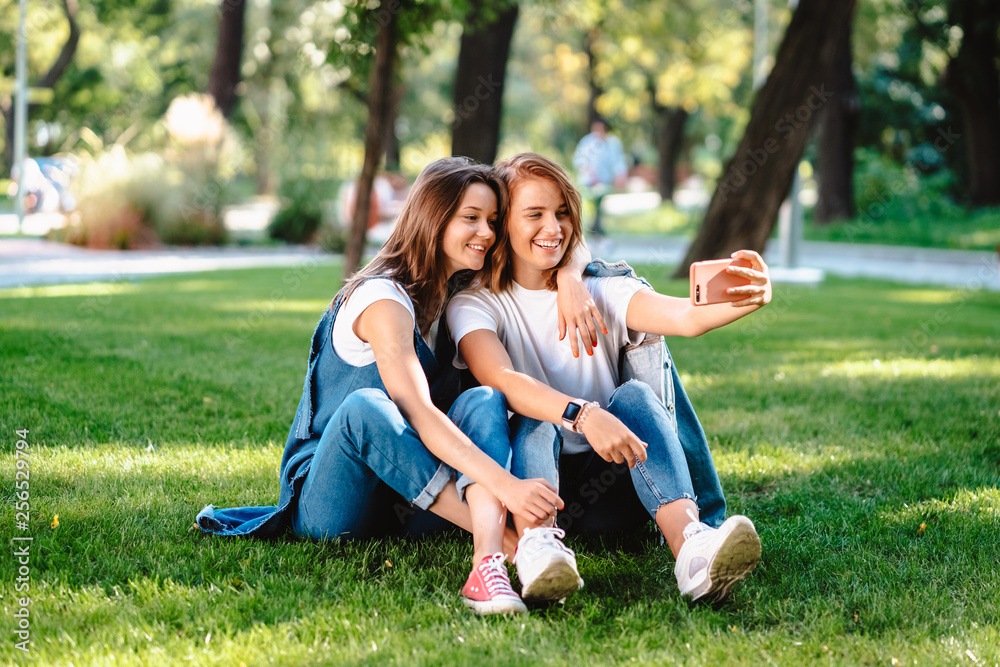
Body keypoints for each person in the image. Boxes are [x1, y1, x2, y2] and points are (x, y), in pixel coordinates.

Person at [196, 157, 599, 615]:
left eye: (491, 220)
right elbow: (419, 412)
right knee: (366, 408)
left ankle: (484, 565)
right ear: (432, 218)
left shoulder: (454, 301)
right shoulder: (382, 299)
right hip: (335, 506)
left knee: (484, 398)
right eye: (470, 218)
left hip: (409, 503)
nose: (486, 233)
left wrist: (568, 276)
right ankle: (512, 546)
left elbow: (567, 242)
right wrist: (507, 486)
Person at [448, 153, 770, 602]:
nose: (553, 228)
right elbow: (498, 376)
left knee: (636, 395)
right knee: (534, 413)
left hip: (620, 485)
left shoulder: (602, 288)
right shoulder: (477, 303)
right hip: (539, 488)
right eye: (534, 214)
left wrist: (744, 296)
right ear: (503, 224)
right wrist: (581, 415)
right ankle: (539, 549)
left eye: (562, 213)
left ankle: (692, 551)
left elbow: (685, 316)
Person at [572, 118, 627, 235]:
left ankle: (597, 226)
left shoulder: (613, 143)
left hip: (604, 179)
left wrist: (620, 174)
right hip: (588, 179)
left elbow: (617, 161)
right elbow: (579, 160)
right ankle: (590, 226)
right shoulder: (586, 142)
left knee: (600, 203)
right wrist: (589, 171)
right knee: (590, 203)